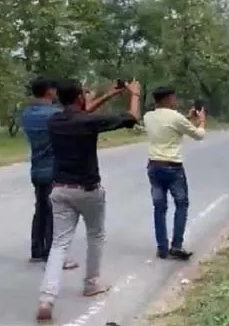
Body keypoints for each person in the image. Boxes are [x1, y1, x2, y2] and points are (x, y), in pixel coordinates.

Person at [36, 78, 141, 322]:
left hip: (59, 189)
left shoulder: (54, 121)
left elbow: (82, 113)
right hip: (88, 189)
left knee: (59, 245)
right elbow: (131, 118)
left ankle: (46, 298)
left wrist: (109, 94)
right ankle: (91, 283)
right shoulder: (87, 122)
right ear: (80, 97)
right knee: (95, 235)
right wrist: (134, 94)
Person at [20, 77, 78, 270]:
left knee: (41, 208)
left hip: (36, 167)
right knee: (55, 211)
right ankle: (52, 255)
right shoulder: (55, 114)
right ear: (49, 92)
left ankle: (37, 250)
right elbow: (76, 119)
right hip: (54, 167)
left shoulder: (27, 114)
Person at [142, 86, 206, 260]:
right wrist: (201, 121)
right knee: (181, 204)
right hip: (173, 167)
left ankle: (162, 247)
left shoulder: (148, 117)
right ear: (169, 98)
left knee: (159, 207)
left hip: (154, 166)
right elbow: (198, 135)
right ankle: (176, 245)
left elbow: (168, 126)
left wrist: (187, 118)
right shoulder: (176, 117)